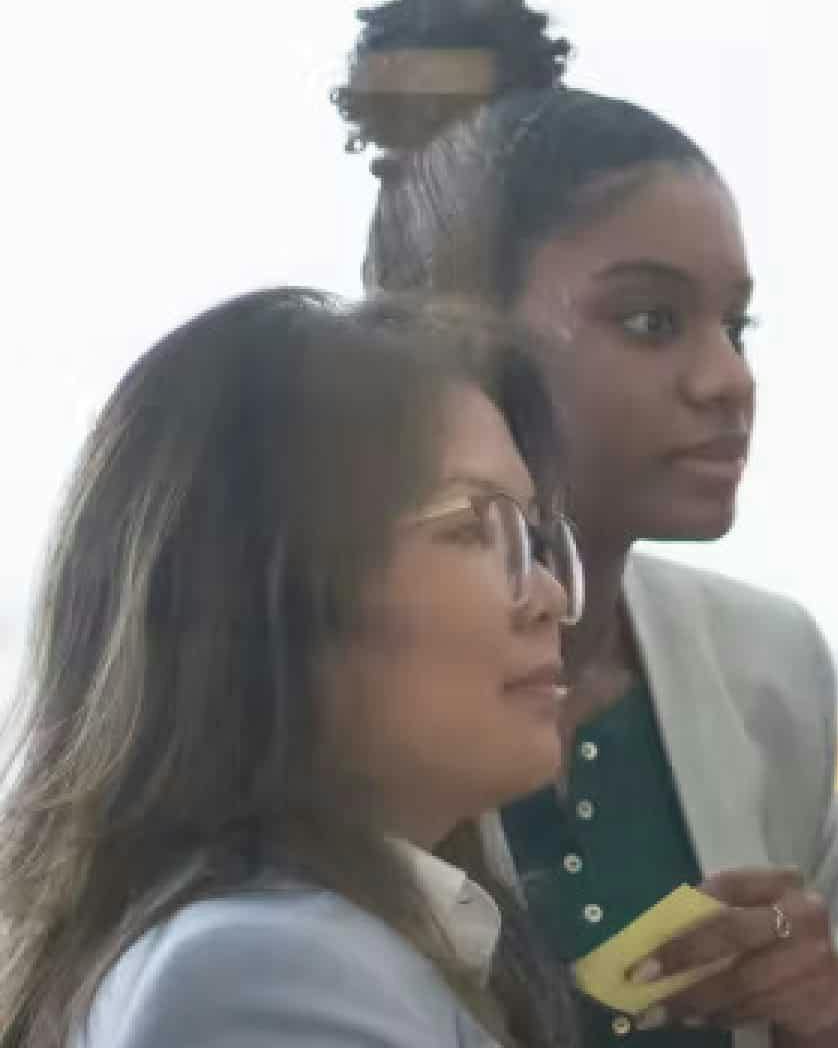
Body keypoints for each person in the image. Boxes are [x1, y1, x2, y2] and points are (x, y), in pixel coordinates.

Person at [336, 0, 838, 1047]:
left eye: (738, 325)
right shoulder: (333, 683)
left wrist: (824, 1024)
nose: (729, 379)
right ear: (462, 336)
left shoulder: (770, 667)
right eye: (651, 322)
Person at [0, 289, 578, 1046]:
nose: (551, 596)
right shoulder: (260, 969)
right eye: (475, 527)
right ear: (261, 589)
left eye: (533, 539)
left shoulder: (345, 943)